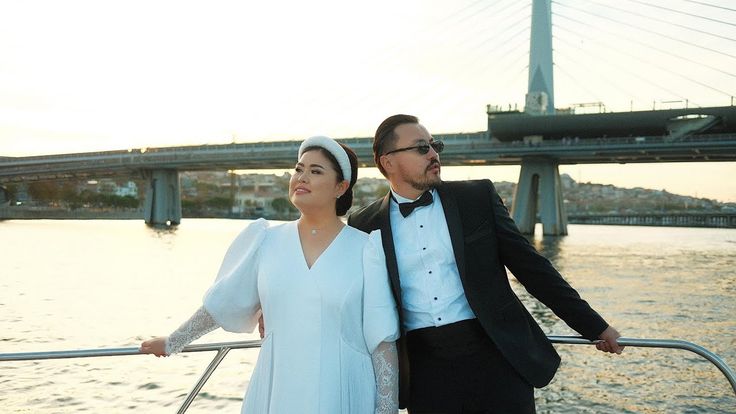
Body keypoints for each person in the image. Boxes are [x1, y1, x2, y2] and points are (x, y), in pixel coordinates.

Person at [347, 114, 625, 414]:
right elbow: (359, 302)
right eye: (421, 148)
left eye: (435, 145)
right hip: (425, 374)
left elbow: (533, 269)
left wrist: (595, 326)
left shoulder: (476, 197)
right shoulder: (364, 224)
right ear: (388, 162)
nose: (434, 154)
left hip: (496, 359)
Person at [140, 136, 400, 414]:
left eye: (315, 171)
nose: (301, 177)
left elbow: (382, 340)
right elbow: (224, 301)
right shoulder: (265, 240)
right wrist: (173, 342)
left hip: (343, 387)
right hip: (278, 385)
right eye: (299, 169)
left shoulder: (365, 249)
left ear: (341, 187)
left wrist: (386, 409)